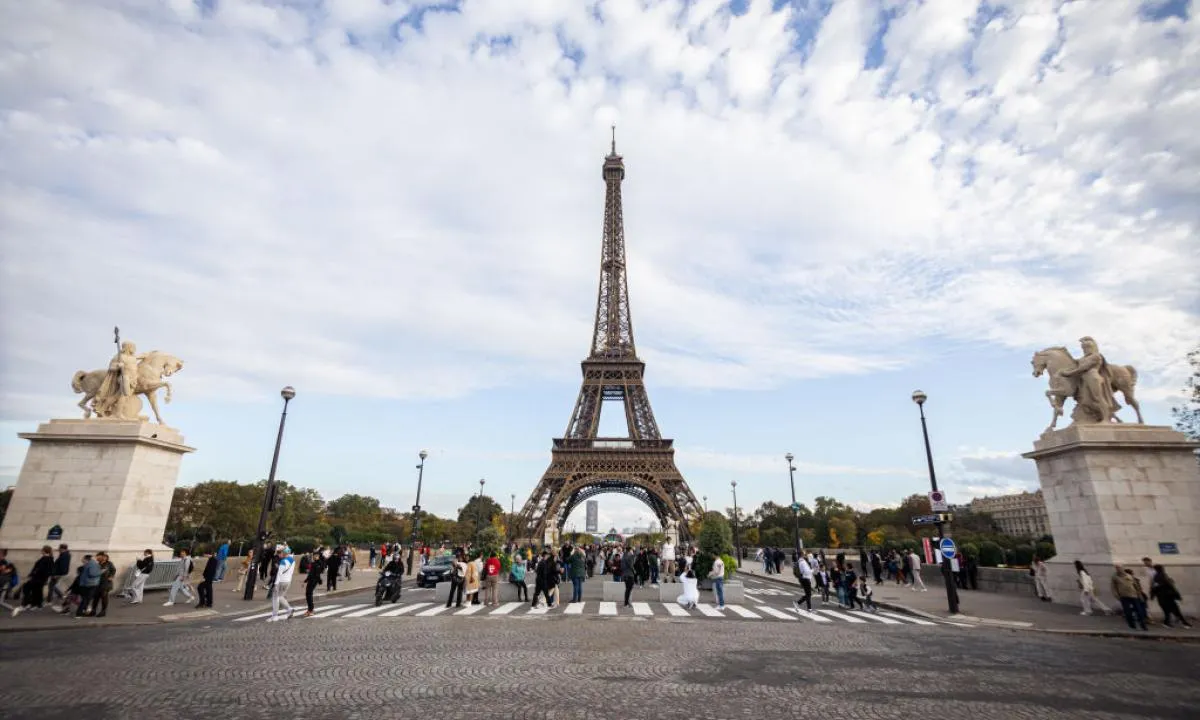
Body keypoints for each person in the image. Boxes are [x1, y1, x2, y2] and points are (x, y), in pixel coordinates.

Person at [1111, 563, 1147, 631]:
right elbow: (1113, 587)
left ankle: (1143, 625)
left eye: (1119, 567)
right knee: (1128, 612)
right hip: (1124, 596)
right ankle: (1132, 625)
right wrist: (1117, 595)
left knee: (1139, 611)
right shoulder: (1115, 577)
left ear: (1123, 568)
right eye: (1117, 568)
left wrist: (1140, 595)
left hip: (1134, 595)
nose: (1118, 569)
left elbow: (1136, 586)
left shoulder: (1129, 576)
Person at [268, 547, 296, 621]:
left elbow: (279, 574)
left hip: (281, 581)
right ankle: (289, 609)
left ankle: (275, 615)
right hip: (288, 581)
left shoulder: (283, 562)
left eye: (282, 552)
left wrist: (276, 584)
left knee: (275, 597)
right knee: (280, 596)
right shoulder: (292, 560)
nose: (281, 553)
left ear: (284, 553)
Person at [303, 548, 326, 617]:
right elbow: (311, 573)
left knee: (309, 594)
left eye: (316, 555)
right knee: (308, 594)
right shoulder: (315, 563)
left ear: (318, 556)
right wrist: (306, 580)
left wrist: (319, 580)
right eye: (314, 555)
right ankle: (310, 609)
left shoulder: (318, 563)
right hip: (311, 580)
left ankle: (311, 610)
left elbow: (317, 573)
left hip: (313, 580)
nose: (315, 556)